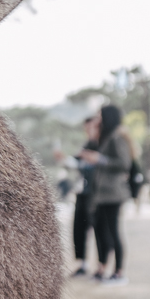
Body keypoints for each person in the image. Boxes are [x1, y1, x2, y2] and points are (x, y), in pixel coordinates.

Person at [77, 105, 134, 286]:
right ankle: (107, 270)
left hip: (113, 194)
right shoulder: (107, 136)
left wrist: (99, 159)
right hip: (103, 194)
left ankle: (119, 273)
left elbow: (124, 163)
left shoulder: (117, 137)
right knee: (105, 233)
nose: (98, 118)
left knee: (114, 233)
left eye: (100, 115)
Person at [56, 116, 99, 277]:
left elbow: (89, 166)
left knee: (97, 230)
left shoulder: (101, 145)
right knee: (78, 228)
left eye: (92, 128)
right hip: (82, 192)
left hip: (94, 194)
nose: (89, 131)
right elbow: (74, 163)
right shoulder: (86, 145)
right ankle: (81, 263)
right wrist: (63, 159)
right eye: (87, 128)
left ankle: (101, 266)